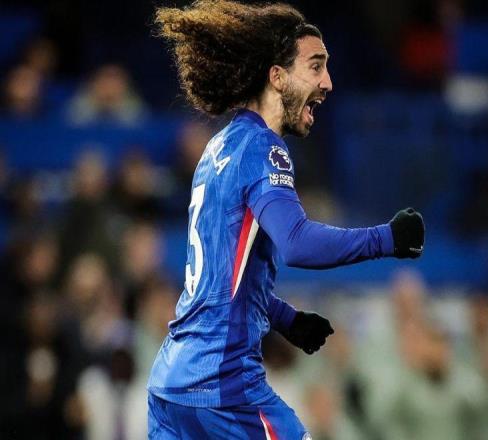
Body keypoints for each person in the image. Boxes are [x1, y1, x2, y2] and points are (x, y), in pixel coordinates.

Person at [148, 1, 425, 439]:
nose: (328, 82)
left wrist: (286, 319)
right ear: (277, 77)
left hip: (171, 386)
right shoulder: (263, 148)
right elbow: (297, 243)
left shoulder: (219, 147)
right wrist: (388, 238)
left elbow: (220, 281)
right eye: (316, 66)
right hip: (223, 390)